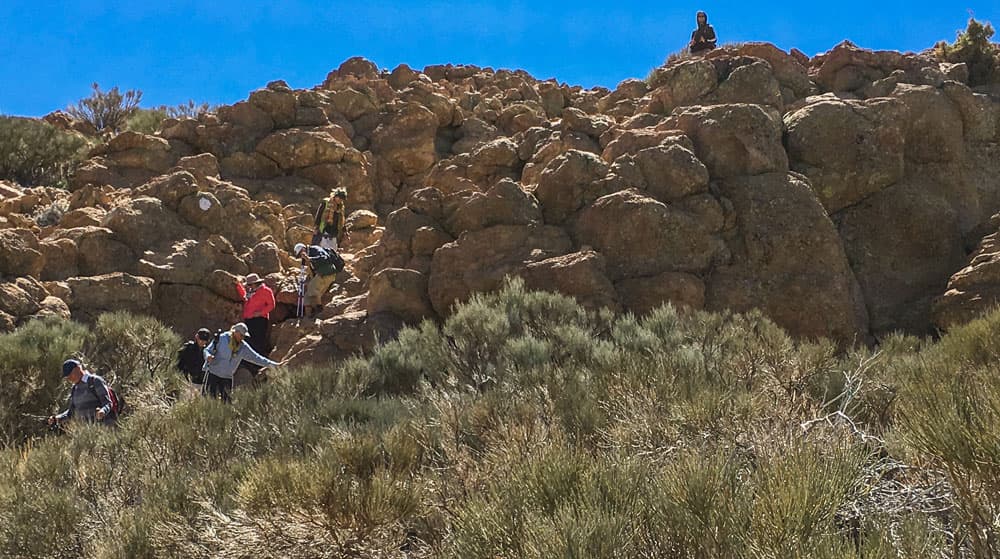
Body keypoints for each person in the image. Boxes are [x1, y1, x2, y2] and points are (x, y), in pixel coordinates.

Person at [203, 322, 283, 402]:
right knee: (208, 399)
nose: (242, 338)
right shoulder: (221, 338)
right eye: (241, 335)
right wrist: (208, 356)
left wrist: (274, 365)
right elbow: (206, 350)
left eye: (244, 336)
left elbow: (257, 358)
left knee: (226, 403)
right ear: (235, 332)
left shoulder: (243, 347)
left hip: (227, 377)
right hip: (213, 374)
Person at [48, 359, 117, 427]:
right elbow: (71, 412)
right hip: (87, 432)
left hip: (104, 429)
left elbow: (108, 403)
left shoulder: (95, 381)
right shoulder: (75, 389)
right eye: (67, 376)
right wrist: (57, 418)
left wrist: (103, 411)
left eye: (70, 374)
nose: (69, 378)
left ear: (77, 369)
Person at [235, 273, 276, 371]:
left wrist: (260, 313)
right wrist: (238, 285)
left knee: (258, 342)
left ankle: (258, 366)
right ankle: (248, 364)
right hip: (249, 320)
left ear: (255, 283)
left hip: (260, 320)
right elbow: (244, 296)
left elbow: (271, 304)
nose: (248, 286)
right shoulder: (251, 292)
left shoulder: (266, 291)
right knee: (248, 341)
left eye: (250, 285)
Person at [294, 242, 343, 318]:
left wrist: (310, 259)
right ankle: (310, 316)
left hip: (326, 273)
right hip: (323, 274)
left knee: (311, 291)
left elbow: (325, 258)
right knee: (309, 296)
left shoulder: (315, 249)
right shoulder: (310, 252)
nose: (301, 257)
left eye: (300, 254)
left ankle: (318, 311)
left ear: (303, 249)